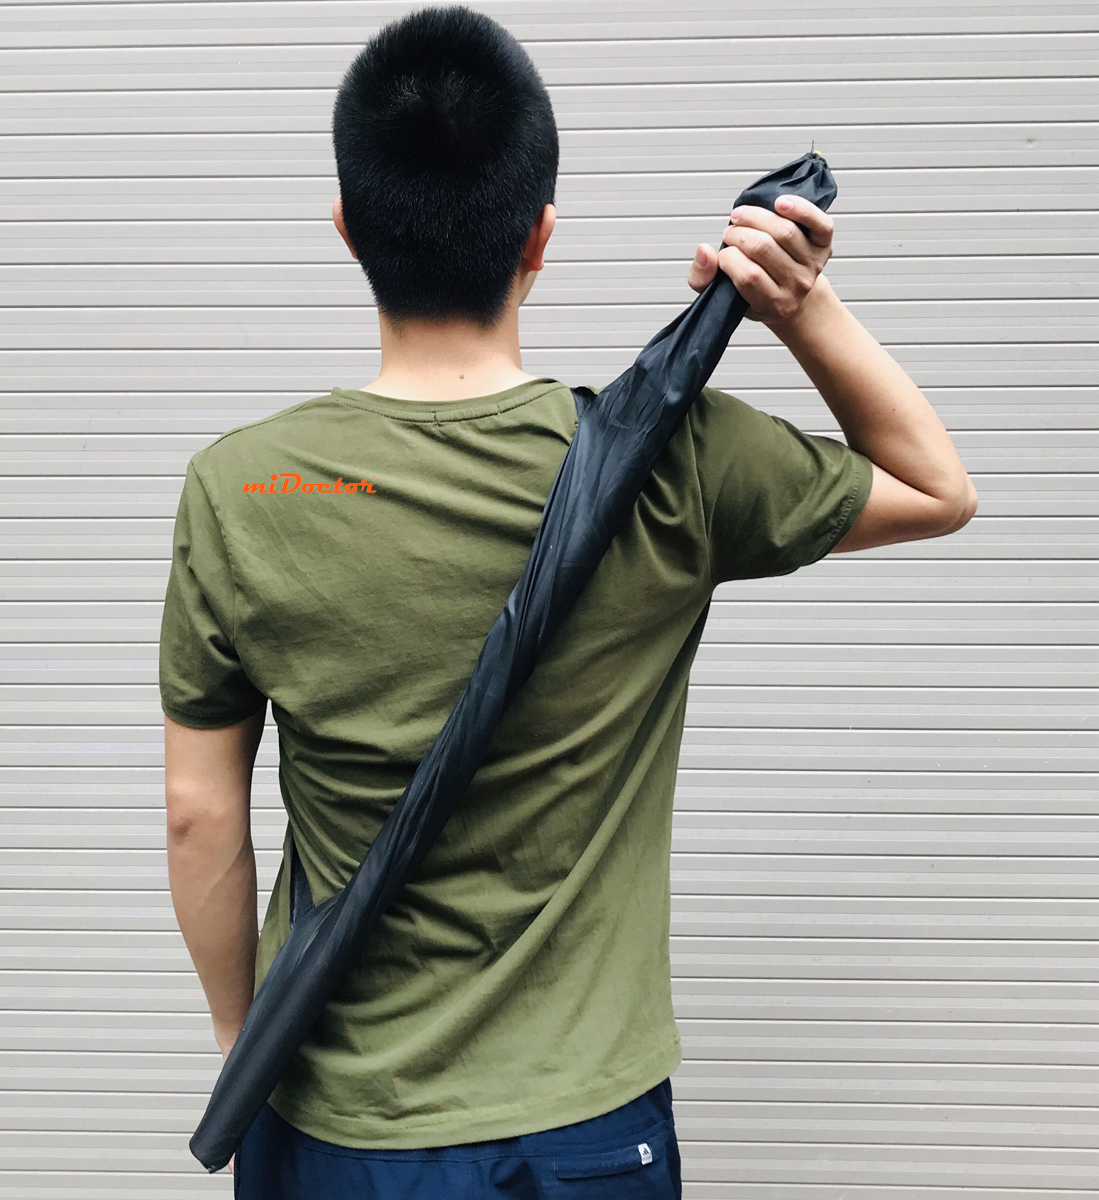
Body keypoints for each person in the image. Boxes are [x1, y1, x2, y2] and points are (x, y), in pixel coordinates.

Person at [158, 6, 978, 1198]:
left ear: (347, 227)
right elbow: (938, 488)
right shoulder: (676, 461)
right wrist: (797, 305)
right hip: (589, 1131)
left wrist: (249, 1043)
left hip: (338, 1121)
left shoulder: (243, 488)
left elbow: (198, 815)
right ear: (541, 234)